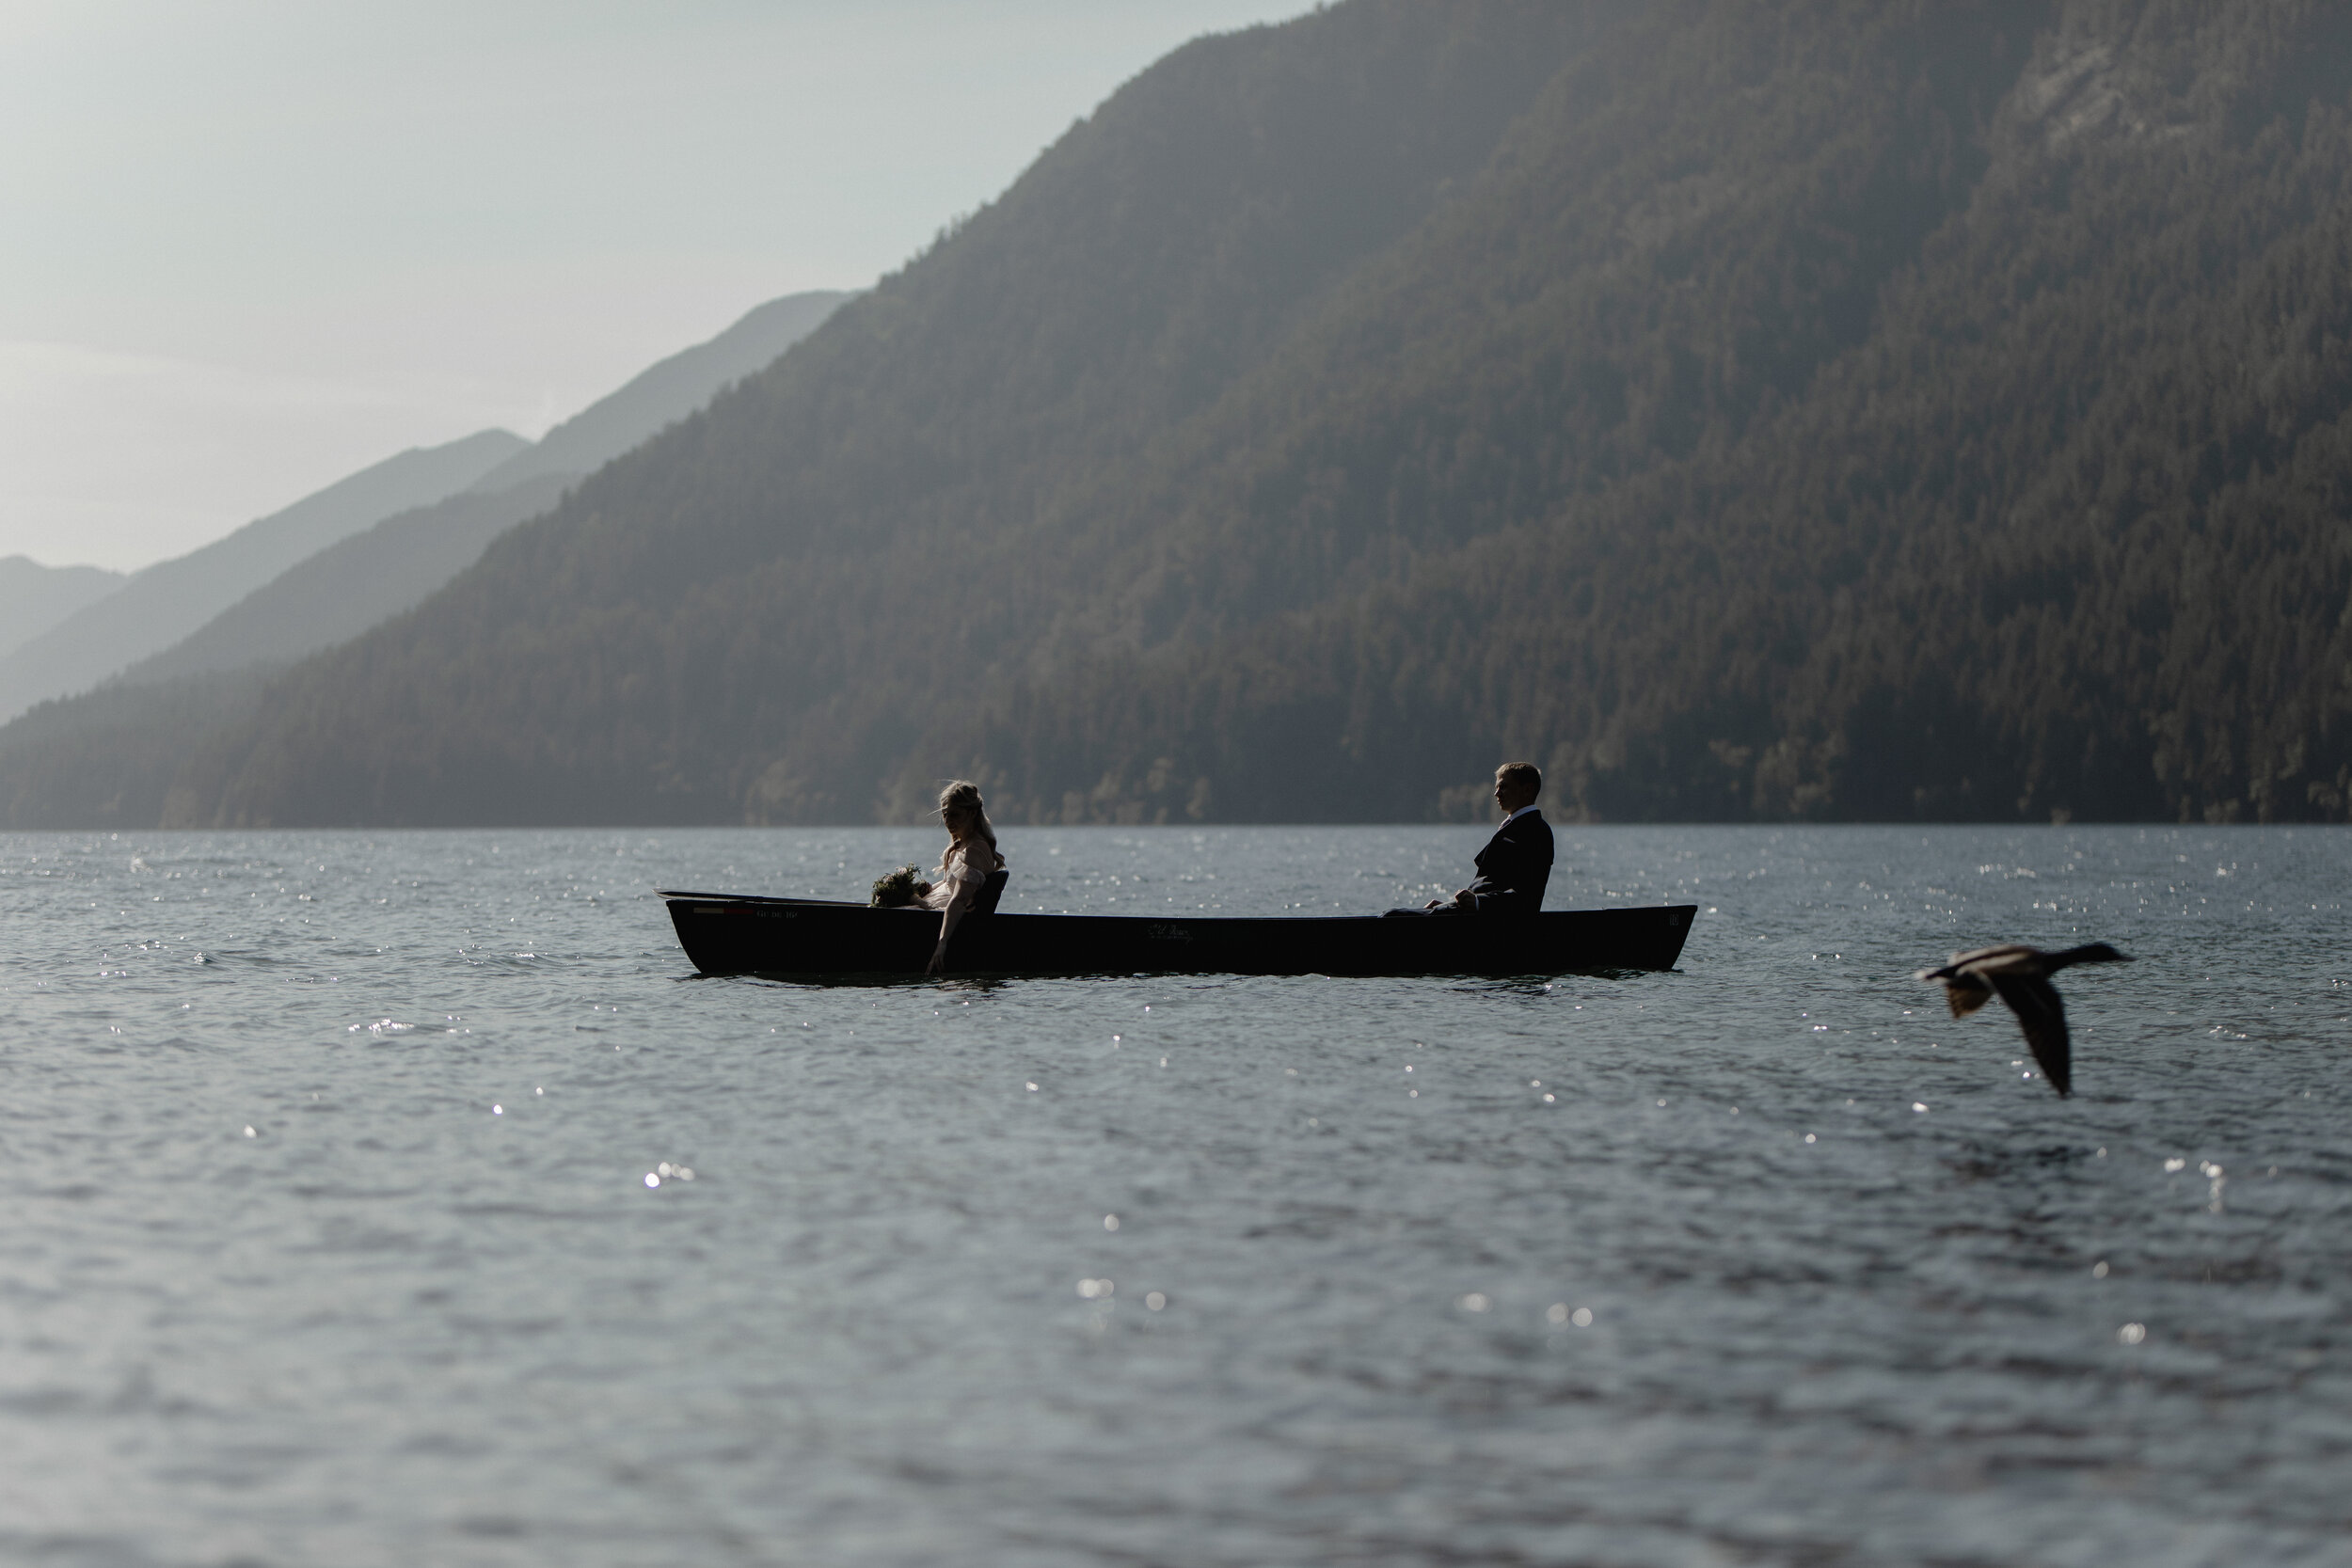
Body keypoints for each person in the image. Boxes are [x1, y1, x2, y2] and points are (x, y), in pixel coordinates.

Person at [1402, 761, 1553, 915]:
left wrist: (1477, 902)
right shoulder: (1515, 828)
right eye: (1497, 788)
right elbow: (1491, 887)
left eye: (1504, 787)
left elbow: (1526, 898)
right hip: (1474, 913)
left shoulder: (1536, 832)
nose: (1497, 793)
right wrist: (1451, 904)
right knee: (1393, 915)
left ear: (1527, 790)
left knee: (1392, 916)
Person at [917, 779, 1006, 974]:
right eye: (945, 815)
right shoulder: (962, 845)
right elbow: (948, 883)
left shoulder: (974, 851)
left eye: (955, 815)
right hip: (938, 907)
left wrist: (942, 944)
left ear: (972, 813)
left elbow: (958, 900)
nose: (948, 821)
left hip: (949, 922)